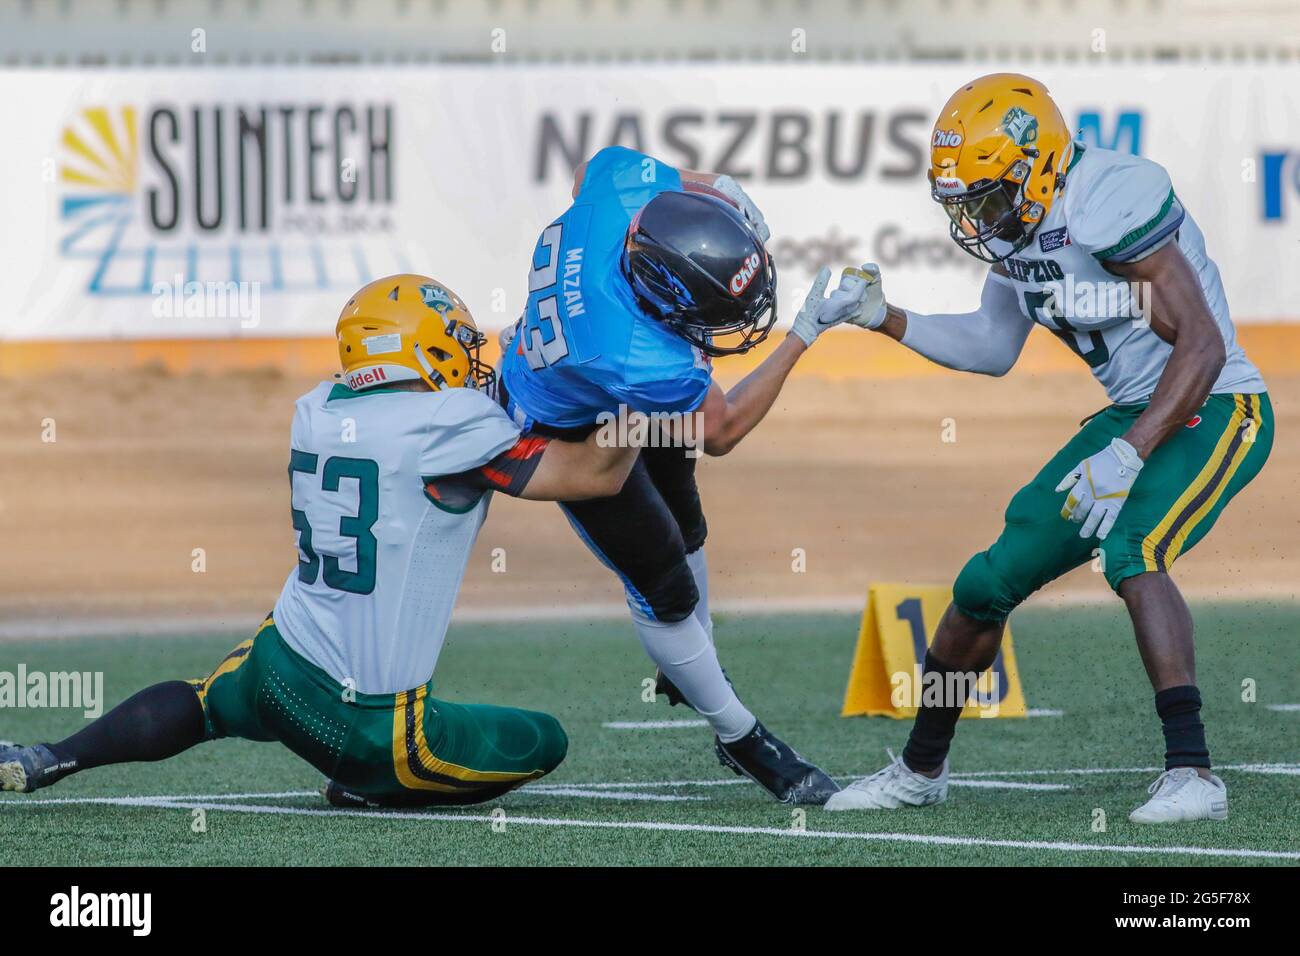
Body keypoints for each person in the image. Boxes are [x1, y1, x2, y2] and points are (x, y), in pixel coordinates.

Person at [1, 274, 645, 807]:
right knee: (546, 739)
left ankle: (50, 756)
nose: (471, 360)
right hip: (371, 725)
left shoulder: (319, 408)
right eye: (455, 342)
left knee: (204, 702)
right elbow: (594, 473)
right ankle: (366, 785)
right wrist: (648, 385)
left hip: (278, 661)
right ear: (418, 349)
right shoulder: (449, 425)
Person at [825, 74, 1271, 823]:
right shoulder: (1020, 229)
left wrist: (1128, 453)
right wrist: (883, 317)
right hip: (1134, 411)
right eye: (968, 200)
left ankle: (1193, 774)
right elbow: (993, 345)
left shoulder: (1109, 200)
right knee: (986, 580)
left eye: (990, 195)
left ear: (1038, 165)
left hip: (1216, 403)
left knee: (1133, 548)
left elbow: (1201, 345)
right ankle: (919, 770)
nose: (979, 217)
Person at [497, 145, 870, 804]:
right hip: (571, 429)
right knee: (664, 583)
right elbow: (722, 429)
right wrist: (805, 334)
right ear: (661, 298)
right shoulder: (641, 356)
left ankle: (694, 662)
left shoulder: (615, 195)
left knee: (688, 521)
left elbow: (597, 167)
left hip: (591, 374)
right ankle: (742, 738)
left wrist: (715, 186)